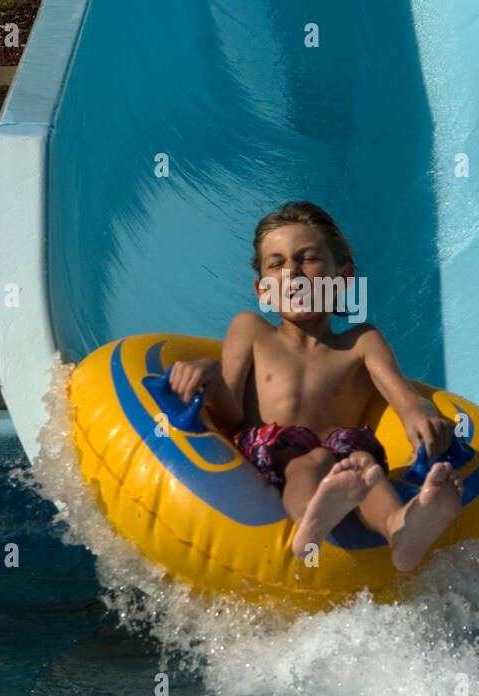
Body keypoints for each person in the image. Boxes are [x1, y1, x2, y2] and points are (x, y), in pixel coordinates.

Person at [170, 201, 463, 570]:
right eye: (277, 264)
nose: (292, 272)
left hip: (343, 453)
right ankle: (312, 517)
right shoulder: (252, 331)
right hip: (276, 453)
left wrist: (423, 418)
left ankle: (399, 528)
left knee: (363, 466)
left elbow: (405, 398)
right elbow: (230, 415)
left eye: (307, 259)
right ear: (263, 290)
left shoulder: (361, 342)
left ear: (343, 278)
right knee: (311, 460)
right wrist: (209, 375)